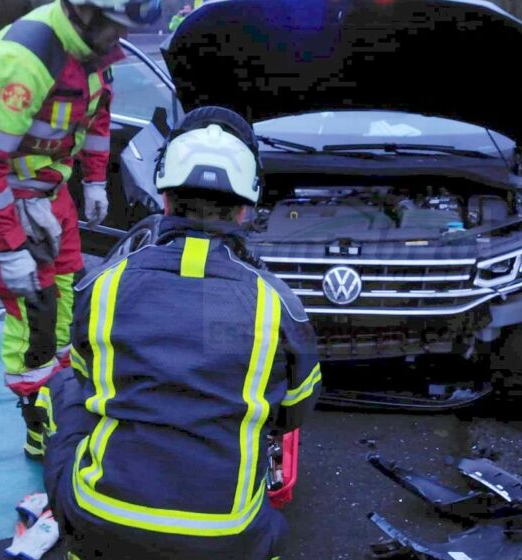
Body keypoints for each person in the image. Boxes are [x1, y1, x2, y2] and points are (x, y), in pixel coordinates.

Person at [42, 106, 322, 559]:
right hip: (225, 538)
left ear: (165, 199)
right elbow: (294, 411)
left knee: (64, 392)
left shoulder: (102, 285)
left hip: (102, 525)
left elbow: (87, 379)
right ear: (246, 210)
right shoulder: (275, 302)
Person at [0, 0, 161, 460]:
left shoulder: (95, 53)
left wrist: (95, 180)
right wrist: (8, 246)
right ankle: (39, 427)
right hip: (0, 191)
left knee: (66, 289)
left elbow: (98, 119)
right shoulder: (28, 58)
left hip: (49, 183)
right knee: (34, 311)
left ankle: (63, 396)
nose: (119, 40)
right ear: (82, 12)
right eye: (114, 28)